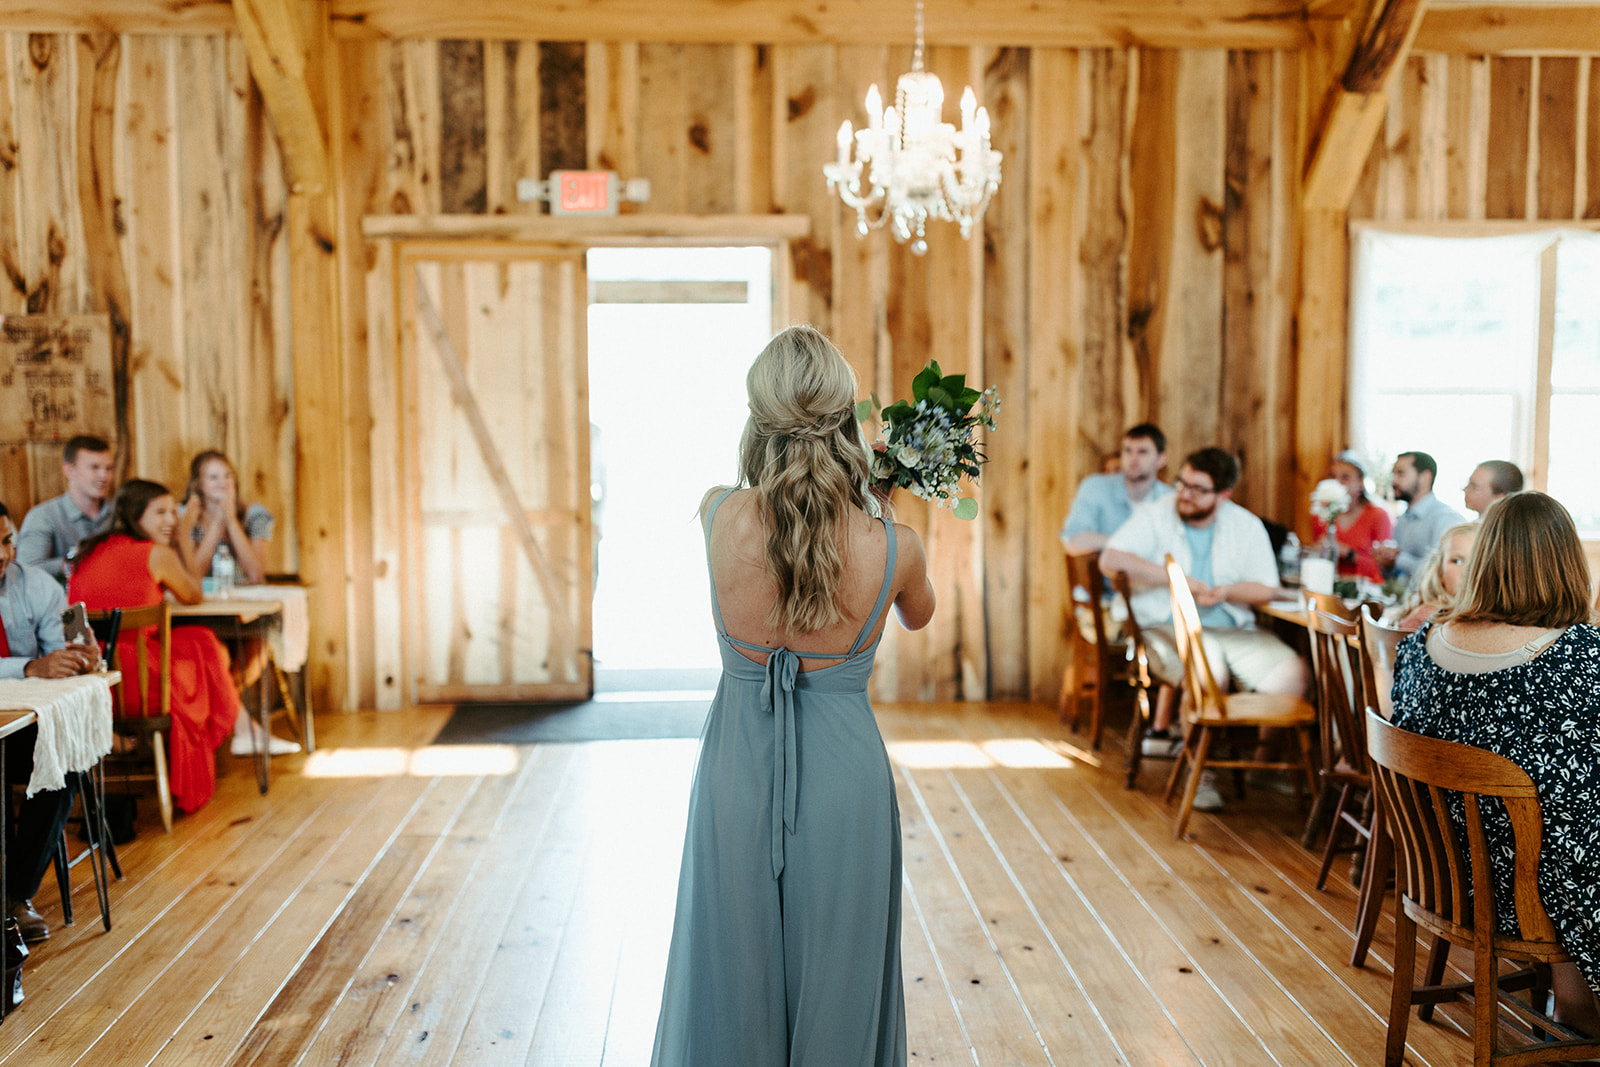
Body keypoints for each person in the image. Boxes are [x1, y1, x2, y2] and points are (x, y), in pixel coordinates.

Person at [650, 325, 935, 1066]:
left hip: (736, 771)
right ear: (848, 419)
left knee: (731, 967)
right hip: (846, 782)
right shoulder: (894, 542)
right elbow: (920, 611)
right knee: (841, 975)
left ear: (757, 416)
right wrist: (879, 504)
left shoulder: (717, 514)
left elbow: (787, 530)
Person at [1391, 492, 1600, 1034]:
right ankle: (1579, 1013)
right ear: (1567, 565)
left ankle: (1575, 1009)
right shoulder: (1579, 656)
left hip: (1445, 873)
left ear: (1482, 561)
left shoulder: (1421, 644)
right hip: (1533, 890)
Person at [1100, 447, 1307, 812]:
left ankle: (1262, 764)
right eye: (1182, 483)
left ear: (1223, 495)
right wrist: (1176, 579)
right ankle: (1201, 770)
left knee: (1294, 674)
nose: (1185, 494)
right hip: (1166, 624)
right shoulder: (1155, 515)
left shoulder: (1245, 525)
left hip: (1233, 628)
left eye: (1198, 488)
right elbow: (1110, 559)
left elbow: (1266, 587)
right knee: (1207, 668)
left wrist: (1227, 592)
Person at [67, 480, 243, 816]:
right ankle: (204, 748)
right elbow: (193, 594)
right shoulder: (156, 554)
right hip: (138, 686)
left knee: (198, 642)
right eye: (160, 512)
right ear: (135, 515)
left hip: (90, 680)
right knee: (206, 644)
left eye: (173, 512)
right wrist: (182, 540)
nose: (171, 519)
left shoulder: (85, 550)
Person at [0, 503, 101, 943]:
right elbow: (37, 665)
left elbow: (65, 643)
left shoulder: (38, 585)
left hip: (20, 728)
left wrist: (81, 657)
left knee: (64, 762)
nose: (3, 554)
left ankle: (14, 896)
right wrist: (28, 667)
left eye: (5, 541)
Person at [1059, 423, 1175, 550]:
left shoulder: (1170, 499)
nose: (1133, 459)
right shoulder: (1096, 486)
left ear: (1161, 459)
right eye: (1127, 450)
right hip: (1103, 568)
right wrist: (1126, 545)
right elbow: (1074, 538)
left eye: (1142, 452)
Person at [16, 435, 115, 580]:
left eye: (109, 468)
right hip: (64, 600)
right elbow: (26, 568)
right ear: (69, 470)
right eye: (94, 467)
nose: (104, 476)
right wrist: (73, 562)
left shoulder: (119, 510)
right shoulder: (43, 516)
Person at [178, 450, 273, 586]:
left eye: (227, 475)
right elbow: (193, 575)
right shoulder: (186, 515)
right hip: (202, 600)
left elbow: (256, 575)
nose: (222, 482)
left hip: (247, 600)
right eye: (213, 477)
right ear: (198, 483)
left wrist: (232, 521)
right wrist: (217, 524)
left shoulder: (255, 514)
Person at [1372, 451, 1463, 582]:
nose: (1393, 480)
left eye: (1400, 473)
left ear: (1424, 477)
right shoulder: (1402, 520)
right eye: (1393, 474)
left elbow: (1439, 572)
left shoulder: (1445, 518)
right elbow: (1395, 579)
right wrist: (1387, 563)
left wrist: (1398, 559)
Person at [1309, 453, 1393, 581]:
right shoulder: (1321, 515)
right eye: (1332, 476)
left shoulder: (1378, 516)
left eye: (1345, 477)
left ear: (1360, 483)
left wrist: (1347, 553)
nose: (1337, 482)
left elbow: (1383, 569)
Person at [1393, 522, 1478, 630]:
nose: (1467, 571)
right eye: (1457, 561)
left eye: (1477, 562)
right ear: (1440, 572)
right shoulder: (1432, 617)